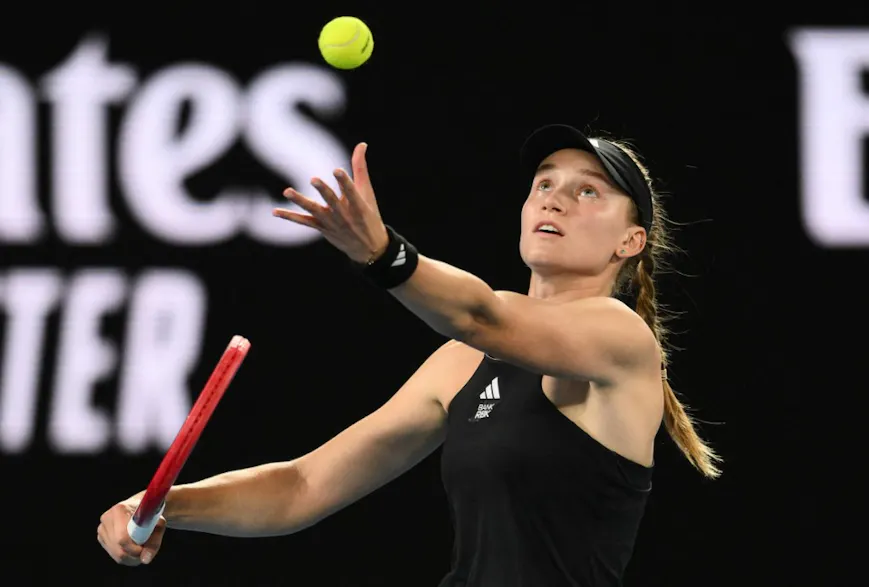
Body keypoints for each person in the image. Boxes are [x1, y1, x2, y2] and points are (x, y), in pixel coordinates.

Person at [97, 124, 721, 586]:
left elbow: (482, 314)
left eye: (589, 193)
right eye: (544, 185)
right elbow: (301, 486)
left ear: (630, 242)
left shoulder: (623, 342)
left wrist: (384, 254)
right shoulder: (461, 364)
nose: (554, 199)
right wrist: (161, 506)